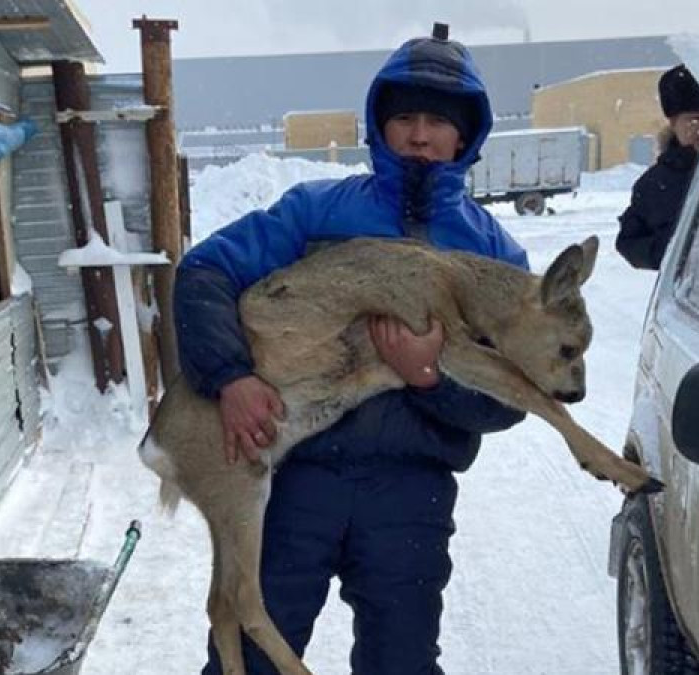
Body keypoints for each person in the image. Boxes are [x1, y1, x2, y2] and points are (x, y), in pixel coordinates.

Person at [173, 24, 529, 675]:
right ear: (380, 125)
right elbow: (205, 272)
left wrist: (430, 377)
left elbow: (511, 399)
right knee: (249, 658)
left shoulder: (494, 256)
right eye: (405, 118)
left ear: (466, 134)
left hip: (411, 492)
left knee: (402, 662)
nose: (420, 134)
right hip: (294, 480)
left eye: (438, 121)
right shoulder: (315, 212)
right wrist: (230, 378)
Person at [616, 64, 699, 270]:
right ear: (673, 123)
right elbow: (629, 242)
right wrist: (676, 252)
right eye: (695, 119)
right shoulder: (654, 184)